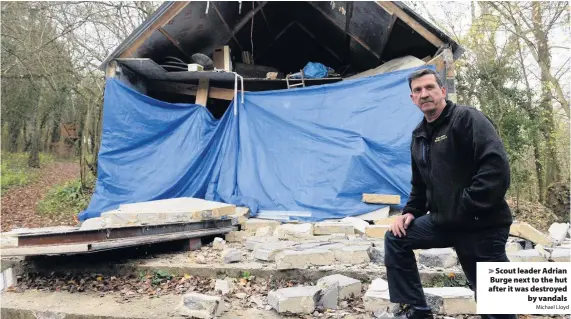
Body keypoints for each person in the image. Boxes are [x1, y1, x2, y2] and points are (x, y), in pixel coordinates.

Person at [384, 68, 516, 319]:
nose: (424, 94)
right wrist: (410, 212)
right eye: (418, 90)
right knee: (396, 238)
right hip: (444, 221)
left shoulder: (467, 119)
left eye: (430, 87)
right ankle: (416, 310)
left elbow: (496, 168)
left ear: (442, 91)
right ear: (412, 99)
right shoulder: (419, 136)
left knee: (494, 301)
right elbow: (420, 185)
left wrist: (467, 206)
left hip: (481, 223)